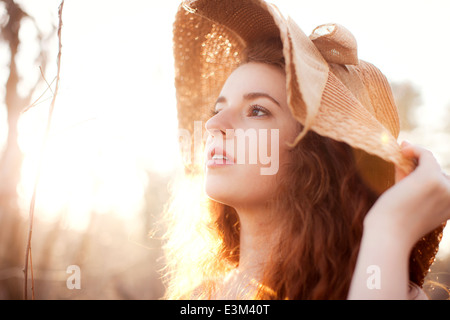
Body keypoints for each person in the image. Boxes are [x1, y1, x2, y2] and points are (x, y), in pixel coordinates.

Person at [163, 0, 449, 299]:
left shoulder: (388, 289)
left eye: (257, 110)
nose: (213, 125)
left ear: (314, 155)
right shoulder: (197, 298)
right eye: (216, 109)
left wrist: (389, 227)